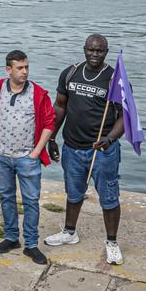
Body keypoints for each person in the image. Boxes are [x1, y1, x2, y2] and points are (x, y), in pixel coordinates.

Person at [44, 34, 126, 265]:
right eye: (90, 50)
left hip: (102, 150)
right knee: (73, 192)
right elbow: (60, 107)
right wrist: (51, 138)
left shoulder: (113, 79)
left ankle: (111, 242)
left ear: (106, 52)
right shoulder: (70, 73)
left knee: (109, 197)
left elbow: (124, 117)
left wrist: (109, 138)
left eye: (99, 51)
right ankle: (70, 232)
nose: (94, 54)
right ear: (84, 49)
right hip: (72, 146)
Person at [0, 50, 55, 265]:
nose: (24, 72)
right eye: (19, 68)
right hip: (0, 155)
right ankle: (11, 237)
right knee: (6, 196)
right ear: (9, 70)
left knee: (31, 201)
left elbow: (49, 124)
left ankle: (32, 244)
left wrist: (36, 152)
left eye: (26, 67)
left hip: (27, 157)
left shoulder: (38, 93)